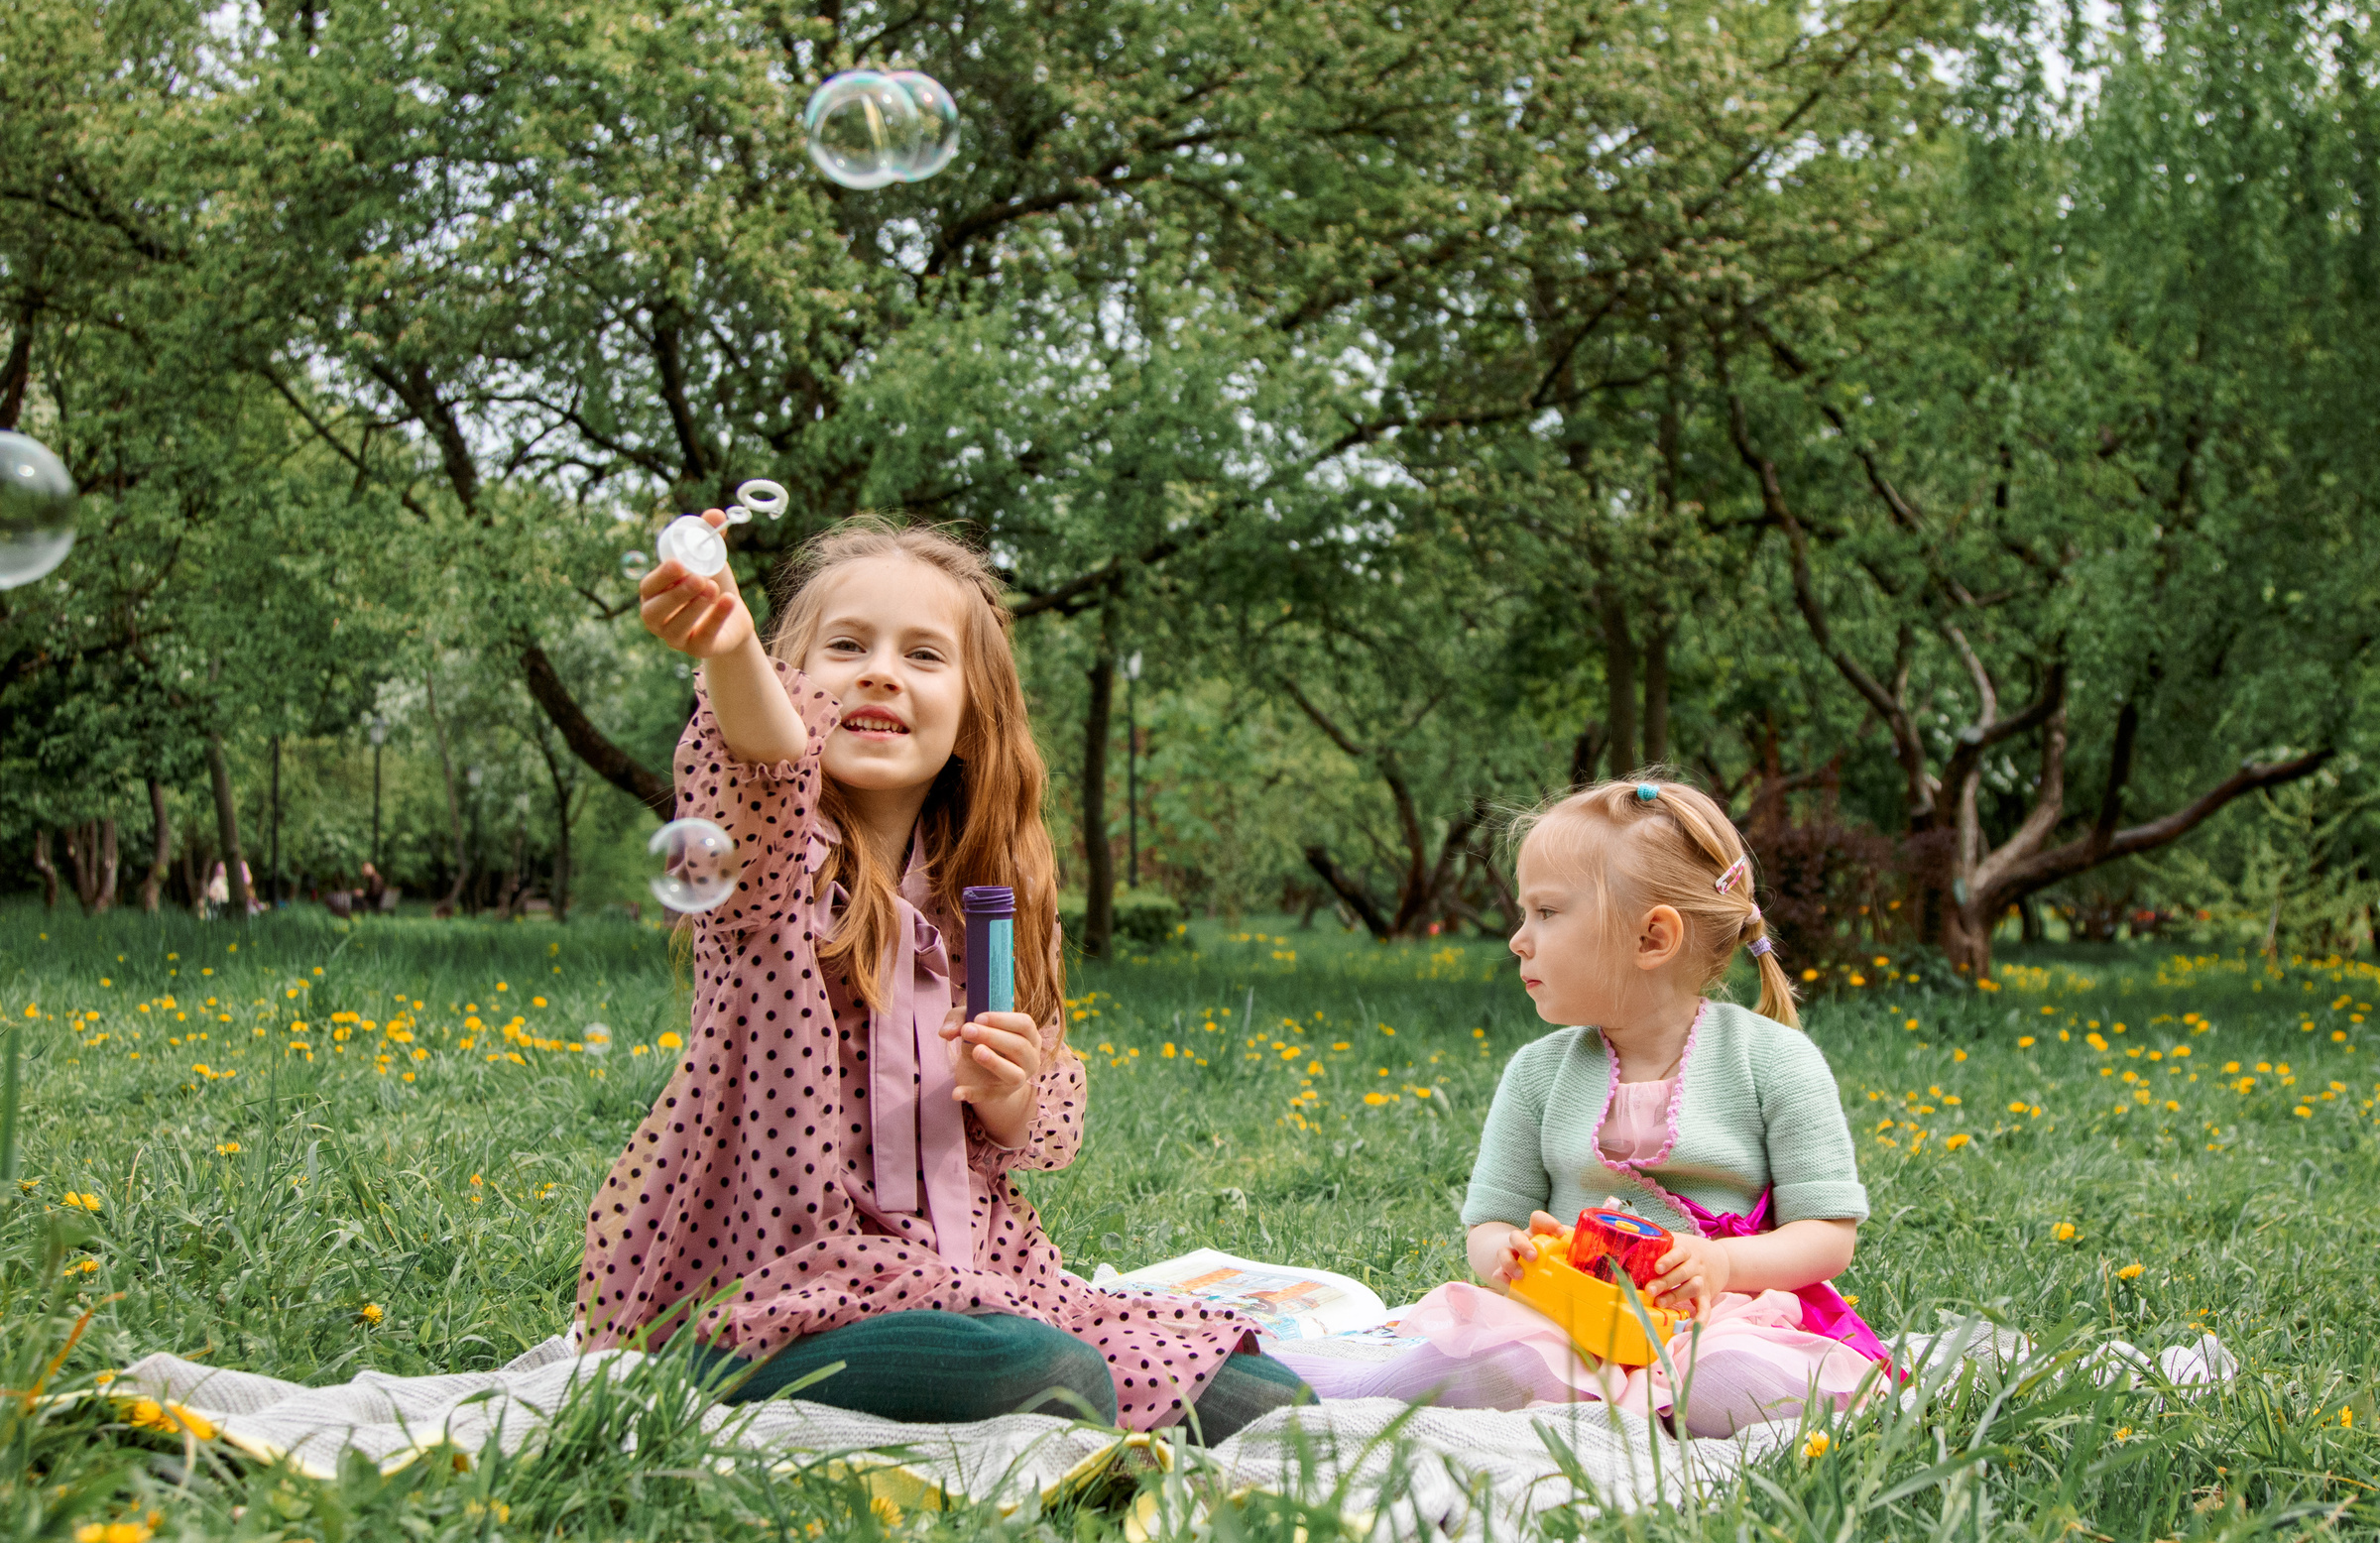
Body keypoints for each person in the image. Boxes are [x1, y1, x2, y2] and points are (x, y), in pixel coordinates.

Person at [580, 513, 1311, 1440]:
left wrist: (1008, 1093)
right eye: (846, 645)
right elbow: (765, 759)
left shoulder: (982, 903)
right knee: (1043, 1369)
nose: (880, 670)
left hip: (972, 1270)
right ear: (792, 684)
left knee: (1267, 1399)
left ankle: (992, 1373)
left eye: (923, 655)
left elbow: (1013, 1133)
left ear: (973, 715)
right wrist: (730, 645)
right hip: (777, 1284)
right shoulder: (769, 881)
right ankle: (716, 1375)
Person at [1286, 778, 1888, 1434]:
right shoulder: (1538, 1075)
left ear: (1651, 937)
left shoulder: (1775, 1061)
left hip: (1713, 1321)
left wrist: (1723, 1265)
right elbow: (1490, 1223)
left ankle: (1663, 1406)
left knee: (1740, 1375)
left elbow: (1829, 1235)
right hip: (1567, 1324)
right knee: (1482, 1358)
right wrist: (1508, 1258)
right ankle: (1313, 1383)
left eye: (1546, 912)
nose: (1519, 938)